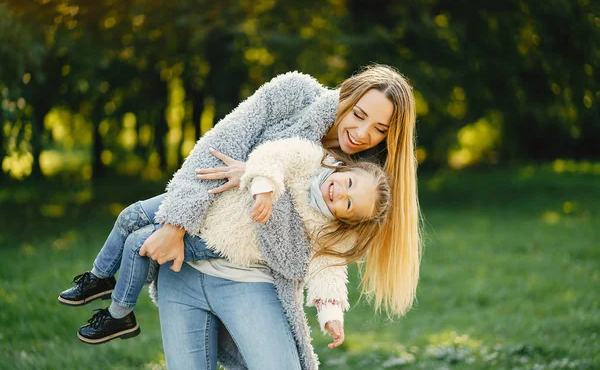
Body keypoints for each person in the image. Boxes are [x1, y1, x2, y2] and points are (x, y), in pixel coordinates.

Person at [67, 64, 420, 370]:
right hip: (184, 263)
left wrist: (253, 175)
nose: (362, 134)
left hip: (251, 281)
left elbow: (308, 255)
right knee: (134, 226)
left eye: (379, 129)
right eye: (359, 115)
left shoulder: (363, 185)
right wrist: (175, 226)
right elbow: (220, 144)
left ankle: (116, 307)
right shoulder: (294, 95)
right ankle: (107, 294)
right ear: (346, 94)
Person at [58, 137, 390, 348]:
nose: (340, 193)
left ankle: (120, 316)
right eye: (347, 183)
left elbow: (328, 270)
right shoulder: (311, 159)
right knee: (130, 216)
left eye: (347, 203)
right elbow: (272, 154)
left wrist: (331, 314)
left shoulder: (324, 229)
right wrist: (263, 186)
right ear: (348, 168)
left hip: (223, 241)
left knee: (139, 244)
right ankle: (99, 278)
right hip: (211, 205)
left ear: (345, 218)